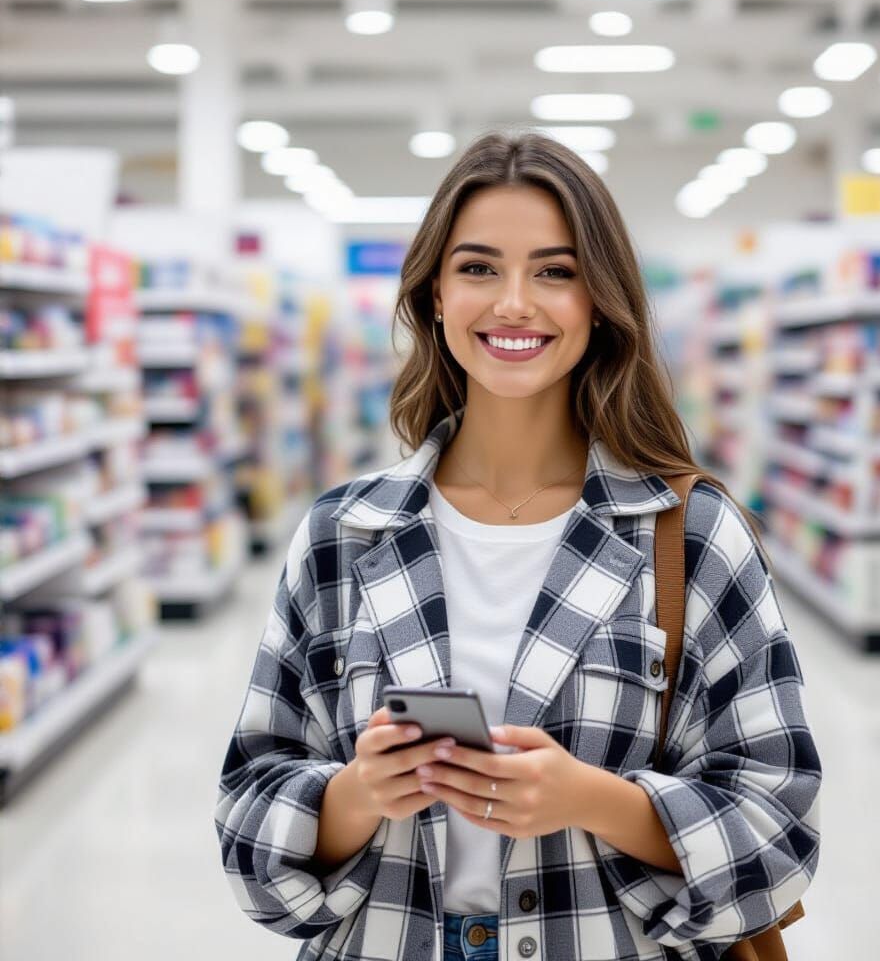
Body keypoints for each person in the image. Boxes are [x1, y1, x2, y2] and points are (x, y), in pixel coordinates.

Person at [215, 131, 822, 961]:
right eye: (477, 268)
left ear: (601, 300)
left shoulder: (695, 534)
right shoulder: (342, 536)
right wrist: (357, 794)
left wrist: (593, 801)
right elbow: (247, 811)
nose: (513, 303)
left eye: (555, 271)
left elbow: (779, 830)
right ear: (432, 294)